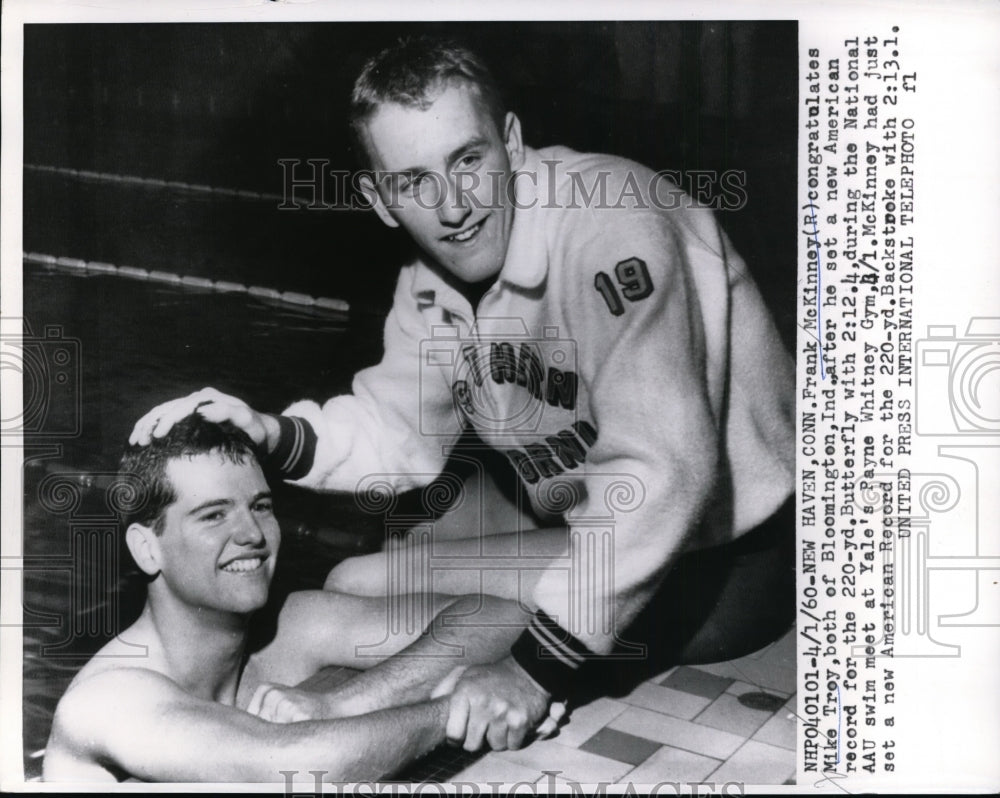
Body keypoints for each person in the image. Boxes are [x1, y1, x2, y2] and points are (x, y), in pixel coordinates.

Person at [130, 35, 795, 753]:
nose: (453, 208)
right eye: (415, 182)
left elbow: (662, 477)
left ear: (510, 141)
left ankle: (338, 715)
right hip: (608, 527)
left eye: (468, 160)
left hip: (727, 563)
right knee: (361, 576)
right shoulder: (431, 283)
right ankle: (288, 710)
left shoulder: (613, 229)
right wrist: (270, 432)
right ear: (381, 200)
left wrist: (533, 672)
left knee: (466, 604)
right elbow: (398, 434)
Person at [43, 414, 550, 782]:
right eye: (213, 515)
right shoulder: (109, 699)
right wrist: (461, 708)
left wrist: (350, 701)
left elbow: (503, 613)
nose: (252, 534)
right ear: (147, 549)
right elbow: (298, 769)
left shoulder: (291, 630)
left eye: (261, 506)